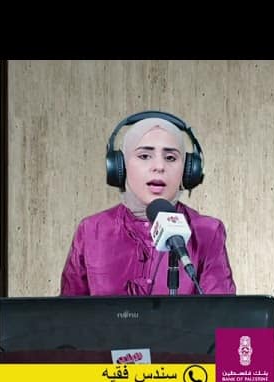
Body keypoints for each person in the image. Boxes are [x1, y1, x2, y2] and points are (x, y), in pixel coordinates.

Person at [60, 111, 236, 296]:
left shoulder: (207, 232)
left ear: (187, 171)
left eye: (170, 158)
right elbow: (67, 312)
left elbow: (225, 312)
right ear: (120, 166)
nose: (159, 167)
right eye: (144, 156)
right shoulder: (91, 230)